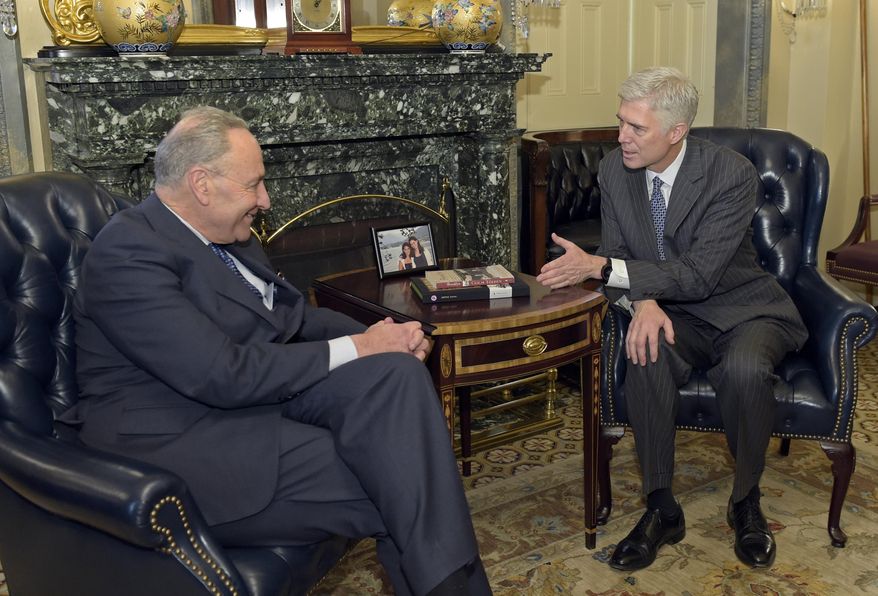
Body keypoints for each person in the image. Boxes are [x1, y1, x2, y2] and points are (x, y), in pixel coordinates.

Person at [60, 106, 491, 596]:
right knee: (401, 480)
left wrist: (386, 336)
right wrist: (360, 346)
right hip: (176, 439)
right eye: (254, 185)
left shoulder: (226, 236)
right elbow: (220, 373)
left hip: (250, 407)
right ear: (202, 184)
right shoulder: (128, 253)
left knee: (396, 375)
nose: (265, 201)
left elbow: (294, 318)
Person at [537, 67, 807, 571]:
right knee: (645, 351)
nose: (620, 138)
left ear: (676, 131)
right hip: (670, 311)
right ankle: (661, 506)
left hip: (742, 309)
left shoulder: (730, 174)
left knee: (745, 371)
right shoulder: (616, 170)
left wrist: (598, 268)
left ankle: (745, 501)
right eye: (620, 122)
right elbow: (620, 252)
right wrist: (642, 303)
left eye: (636, 128)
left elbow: (699, 275)